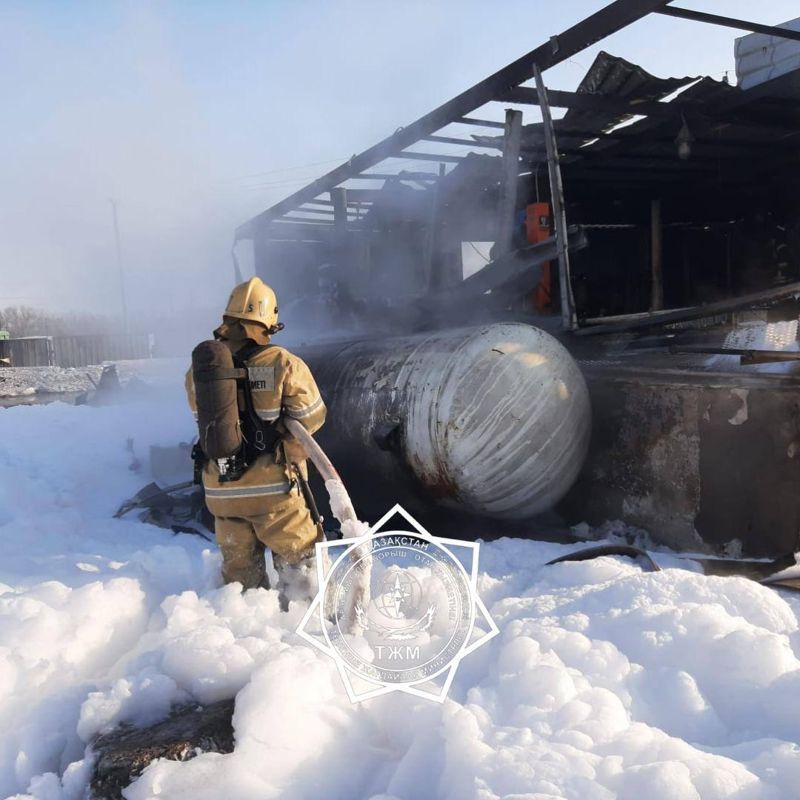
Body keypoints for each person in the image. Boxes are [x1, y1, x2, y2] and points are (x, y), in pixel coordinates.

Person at [185, 277, 326, 606]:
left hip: (220, 491)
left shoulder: (199, 373)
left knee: (240, 582)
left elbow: (202, 420)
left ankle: (248, 631)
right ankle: (307, 632)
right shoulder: (283, 362)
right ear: (268, 322)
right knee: (300, 571)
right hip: (273, 493)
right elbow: (313, 416)